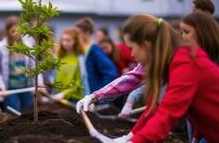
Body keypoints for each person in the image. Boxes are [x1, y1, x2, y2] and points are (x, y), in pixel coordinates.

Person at [79, 14, 219, 142]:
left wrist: (133, 141)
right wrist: (130, 136)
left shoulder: (185, 63)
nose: (132, 55)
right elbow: (154, 108)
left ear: (146, 45)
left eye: (132, 48)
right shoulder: (169, 60)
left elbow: (168, 113)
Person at [0, 16, 34, 111]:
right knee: (13, 114)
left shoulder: (28, 45)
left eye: (19, 30)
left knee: (29, 113)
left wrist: (39, 84)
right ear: (7, 32)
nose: (16, 34)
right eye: (13, 31)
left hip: (26, 87)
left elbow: (35, 67)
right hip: (9, 89)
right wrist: (1, 87)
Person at [75, 17, 117, 93]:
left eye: (78, 33)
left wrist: (100, 92)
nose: (77, 35)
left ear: (87, 32)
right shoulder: (80, 49)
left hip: (95, 98)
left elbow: (111, 72)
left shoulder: (94, 50)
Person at [52, 28, 89, 102]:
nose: (65, 43)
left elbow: (80, 81)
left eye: (68, 40)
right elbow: (54, 77)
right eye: (63, 40)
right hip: (58, 97)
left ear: (75, 41)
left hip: (74, 98)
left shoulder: (79, 58)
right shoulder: (58, 56)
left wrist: (64, 93)